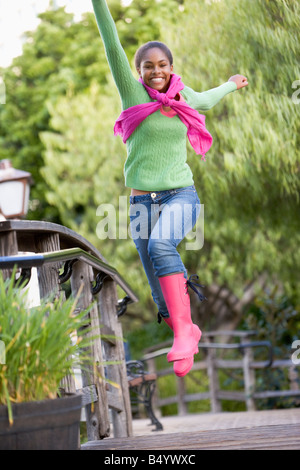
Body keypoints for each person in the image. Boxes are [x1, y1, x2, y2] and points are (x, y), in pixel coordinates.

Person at [91, 0, 248, 377]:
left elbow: (207, 98)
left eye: (162, 65)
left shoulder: (184, 97)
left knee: (162, 245)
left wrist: (229, 85)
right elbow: (112, 45)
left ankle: (183, 334)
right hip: (141, 203)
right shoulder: (133, 93)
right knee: (158, 290)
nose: (156, 71)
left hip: (181, 195)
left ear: (171, 68)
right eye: (149, 66)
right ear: (139, 71)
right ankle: (185, 328)